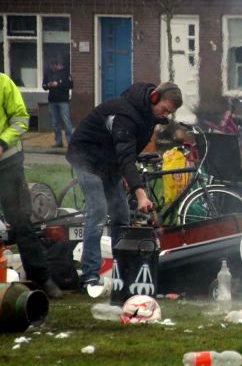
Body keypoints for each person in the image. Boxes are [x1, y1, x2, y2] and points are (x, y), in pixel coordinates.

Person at [66, 82, 182, 288]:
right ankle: (89, 275)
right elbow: (126, 155)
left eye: (169, 113)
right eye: (164, 110)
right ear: (154, 98)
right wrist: (140, 194)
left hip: (109, 162)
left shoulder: (148, 116)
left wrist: (126, 176)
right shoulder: (126, 115)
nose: (165, 116)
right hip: (86, 157)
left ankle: (121, 268)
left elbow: (128, 152)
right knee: (98, 211)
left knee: (122, 216)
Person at [0, 73, 63, 298]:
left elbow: (20, 119)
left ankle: (42, 278)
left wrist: (2, 142)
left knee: (21, 223)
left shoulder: (3, 83)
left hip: (7, 163)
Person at [42, 60, 73, 147]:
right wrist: (48, 85)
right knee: (55, 122)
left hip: (63, 100)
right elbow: (44, 86)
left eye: (54, 66)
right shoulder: (48, 73)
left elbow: (70, 85)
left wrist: (58, 84)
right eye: (52, 66)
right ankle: (58, 141)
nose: (53, 68)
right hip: (52, 100)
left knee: (66, 121)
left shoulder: (65, 73)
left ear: (58, 65)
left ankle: (70, 141)